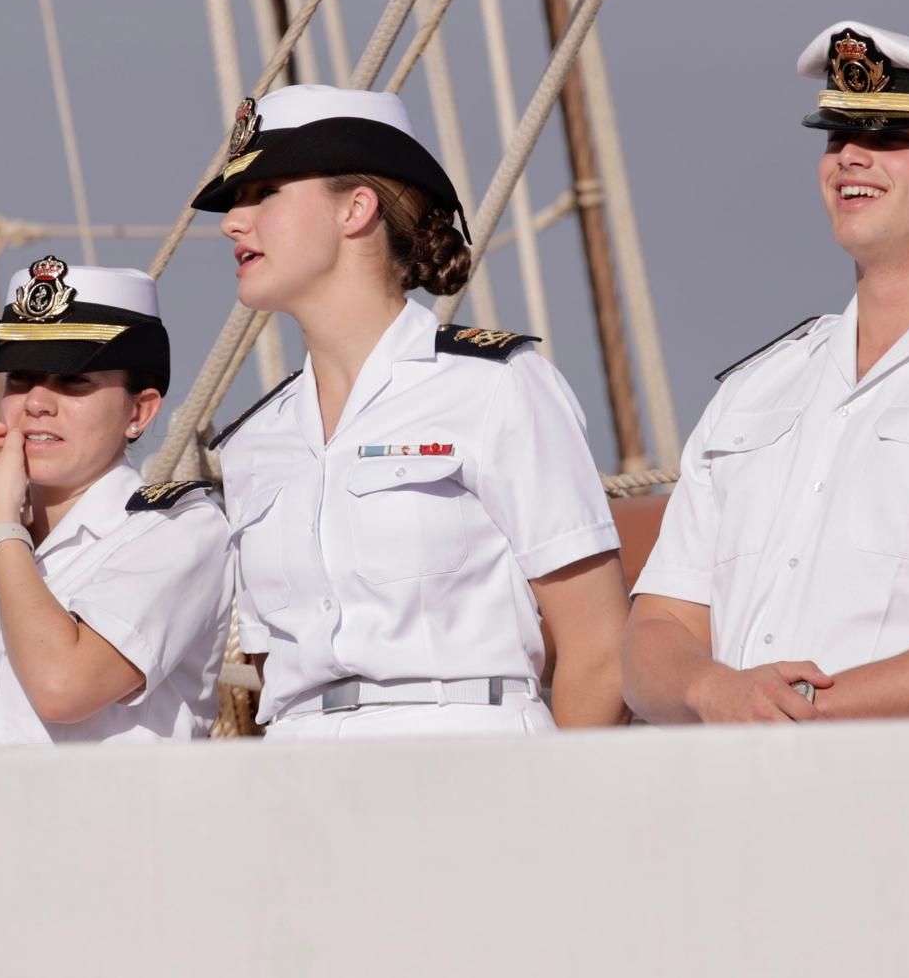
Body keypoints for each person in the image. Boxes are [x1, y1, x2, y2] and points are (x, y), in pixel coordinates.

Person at [623, 23, 909, 723]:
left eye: (891, 138)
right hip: (735, 804)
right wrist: (714, 690)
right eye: (837, 135)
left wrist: (802, 709)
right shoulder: (759, 387)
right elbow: (657, 629)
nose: (850, 158)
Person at [189, 84, 628, 738]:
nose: (232, 221)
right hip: (296, 790)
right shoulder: (255, 441)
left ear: (356, 208)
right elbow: (269, 666)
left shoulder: (495, 387)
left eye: (264, 194)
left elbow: (599, 647)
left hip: (468, 766)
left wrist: (554, 821)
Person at [0, 258, 232, 746]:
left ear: (140, 411)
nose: (37, 402)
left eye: (74, 382)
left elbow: (63, 686)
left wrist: (3, 526)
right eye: (20, 378)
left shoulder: (180, 534)